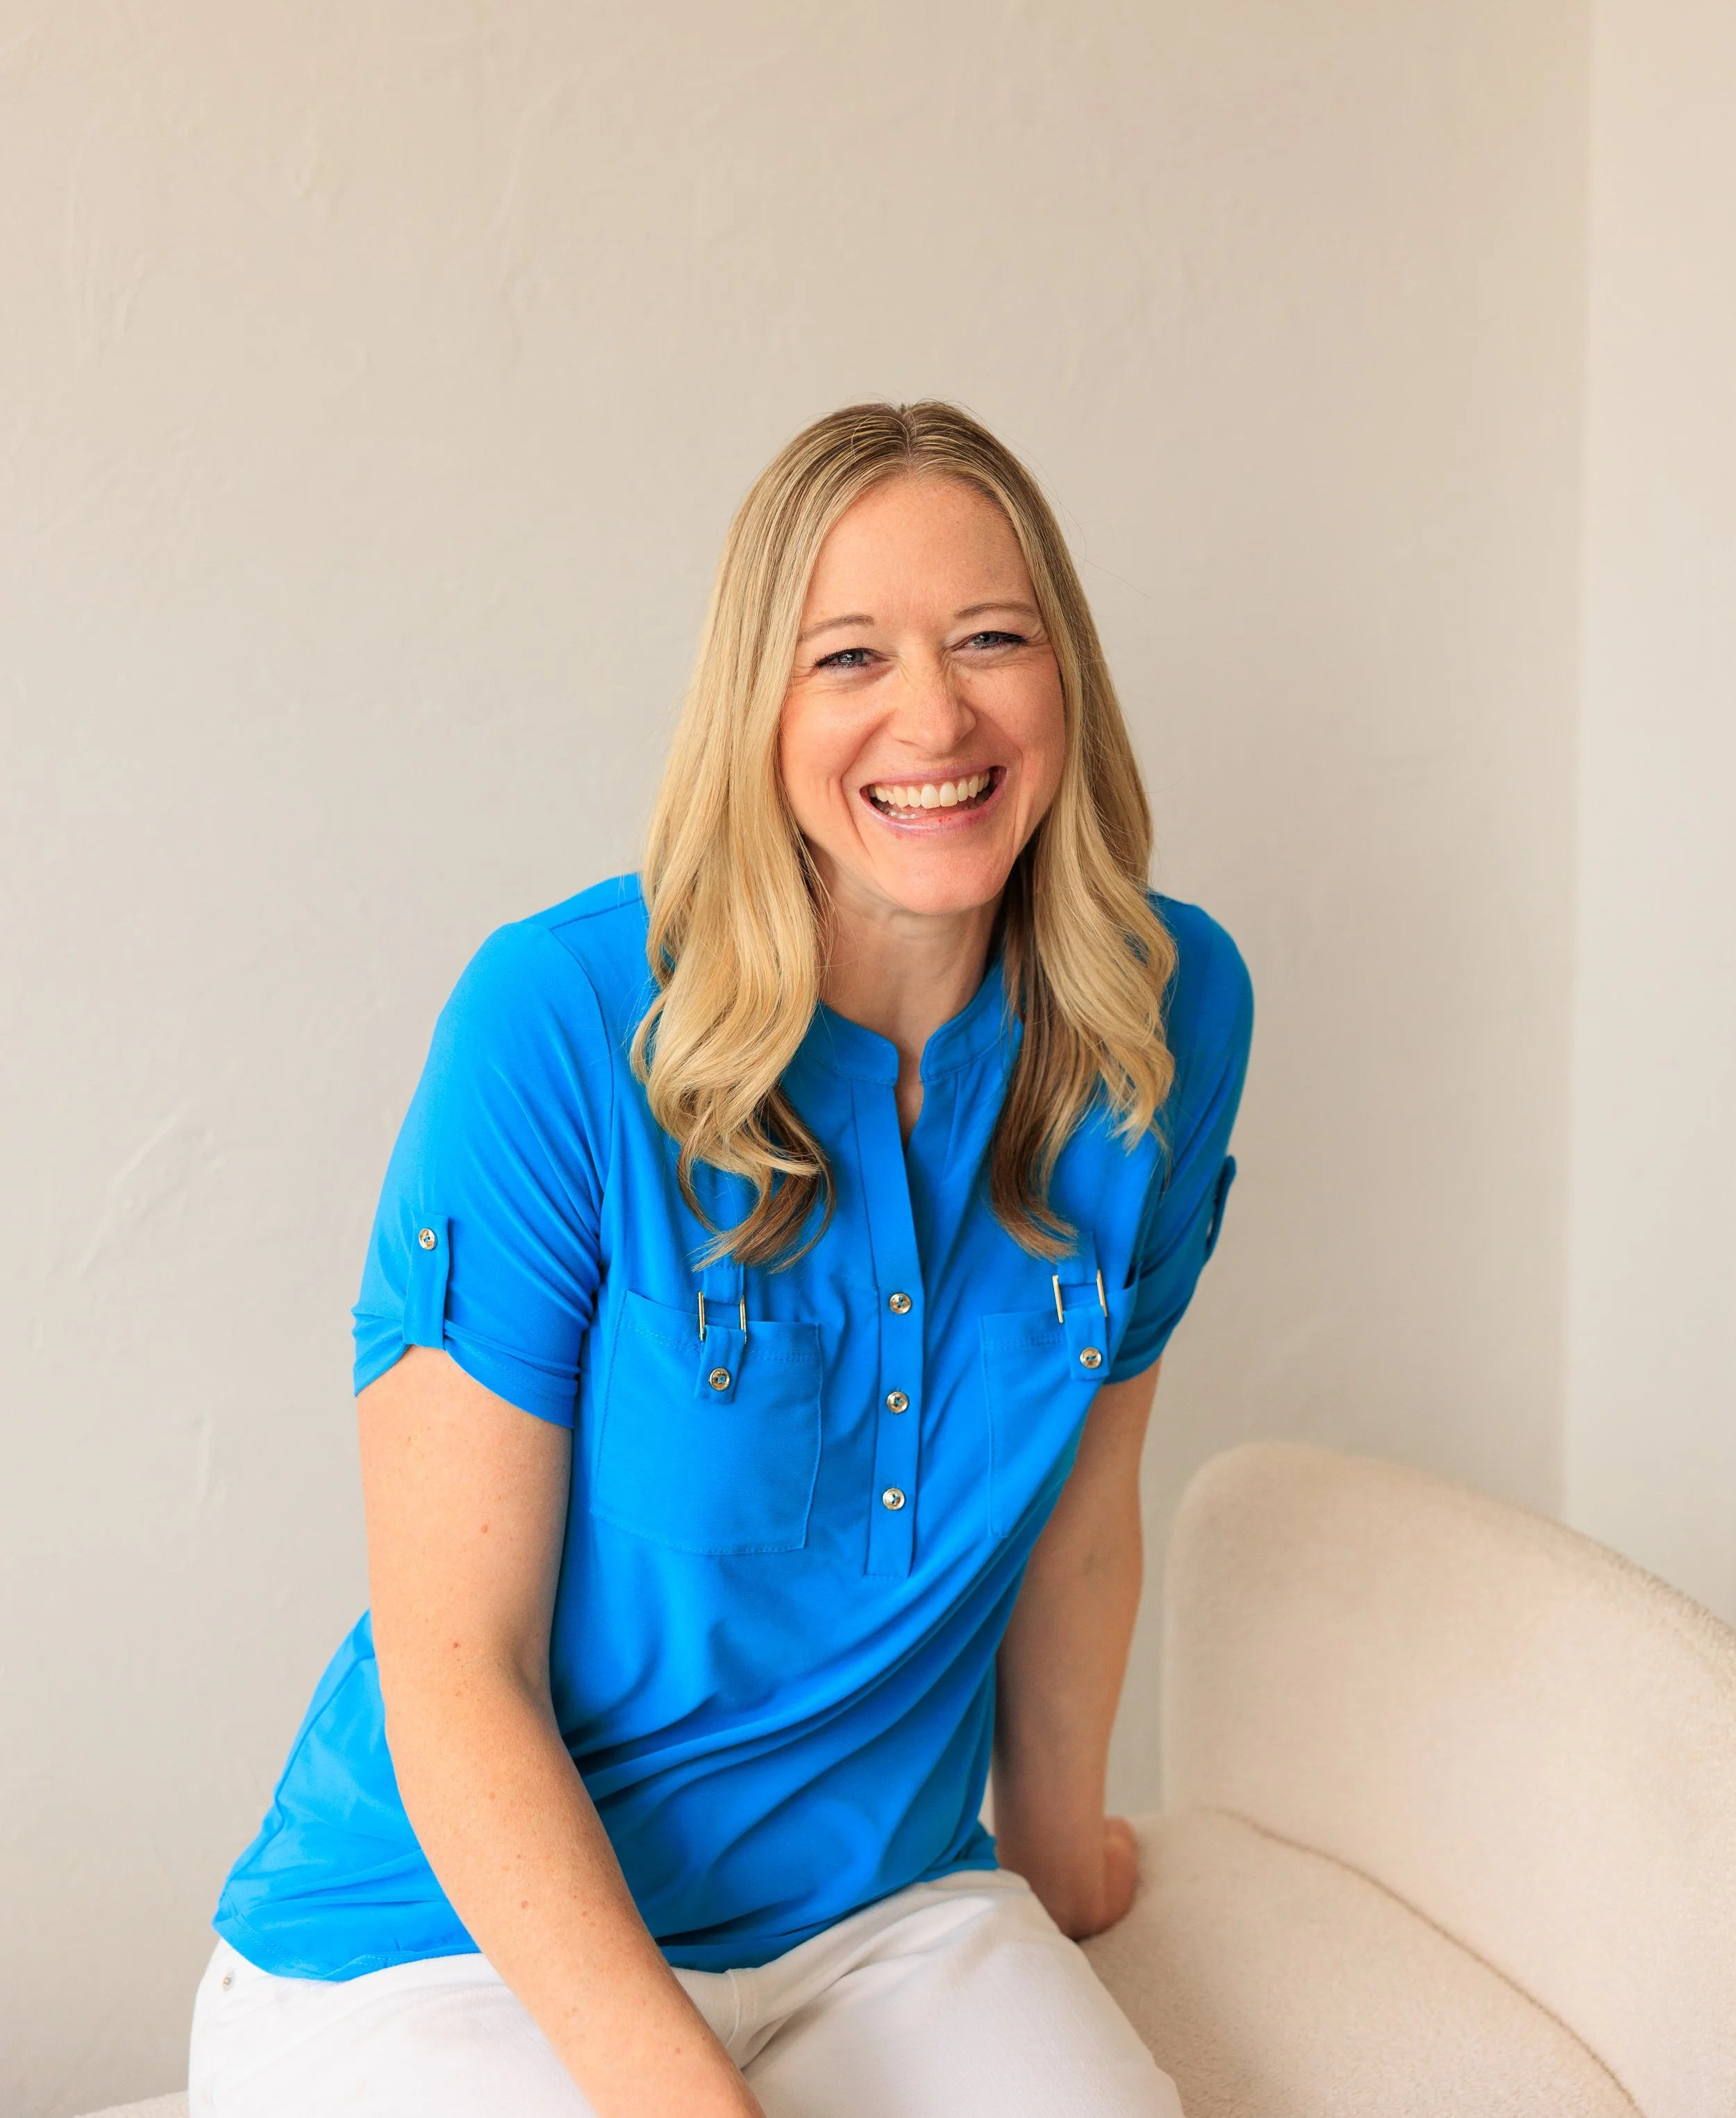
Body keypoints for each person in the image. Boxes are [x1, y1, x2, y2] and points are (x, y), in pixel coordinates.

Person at [190, 401, 1253, 2118]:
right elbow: (454, 1667)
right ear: (757, 711)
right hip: (443, 1946)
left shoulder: (1166, 1015)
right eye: (849, 657)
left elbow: (1079, 1513)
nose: (936, 715)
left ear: (1067, 681)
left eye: (993, 638)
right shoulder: (556, 1026)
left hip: (877, 1914)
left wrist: (1059, 1873)